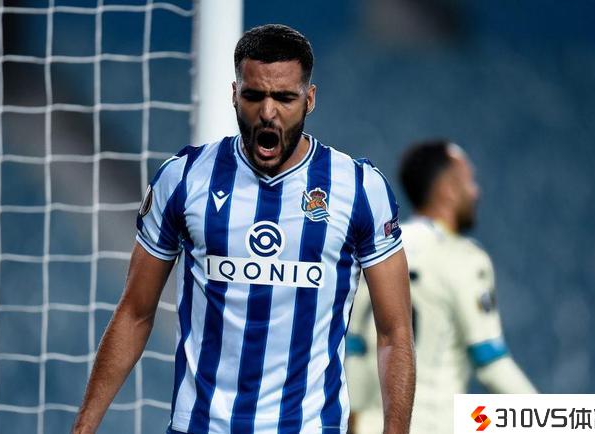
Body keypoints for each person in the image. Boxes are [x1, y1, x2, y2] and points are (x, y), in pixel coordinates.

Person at [72, 24, 414, 434]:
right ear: (234, 94)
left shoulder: (359, 188)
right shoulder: (184, 179)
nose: (268, 112)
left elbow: (394, 332)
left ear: (309, 99)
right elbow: (134, 312)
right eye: (254, 96)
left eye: (284, 97)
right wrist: (83, 427)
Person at [345, 139, 536, 434]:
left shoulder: (376, 250)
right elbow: (491, 362)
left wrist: (354, 419)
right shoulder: (463, 259)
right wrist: (554, 420)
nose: (476, 191)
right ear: (447, 190)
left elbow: (354, 347)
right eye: (469, 181)